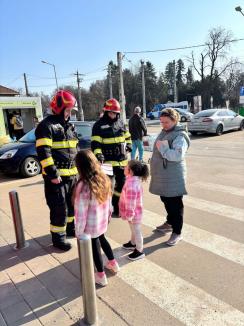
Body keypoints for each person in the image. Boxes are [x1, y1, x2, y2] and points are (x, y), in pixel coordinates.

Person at [35, 90, 79, 251]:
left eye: (71, 111)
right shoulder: (46, 126)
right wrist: (53, 173)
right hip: (56, 178)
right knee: (59, 207)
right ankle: (58, 238)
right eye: (68, 110)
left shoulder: (69, 126)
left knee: (72, 205)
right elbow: (44, 152)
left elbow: (75, 149)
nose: (70, 114)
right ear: (59, 108)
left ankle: (70, 228)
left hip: (72, 176)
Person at [74, 149, 119, 287]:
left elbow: (80, 213)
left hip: (89, 227)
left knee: (95, 249)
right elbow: (110, 203)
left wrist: (79, 233)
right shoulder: (103, 178)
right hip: (101, 222)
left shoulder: (83, 186)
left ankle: (100, 275)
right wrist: (108, 217)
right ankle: (113, 263)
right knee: (103, 239)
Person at [149, 108, 190, 246]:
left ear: (175, 120)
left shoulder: (180, 135)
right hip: (163, 175)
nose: (163, 125)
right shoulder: (165, 131)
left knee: (175, 203)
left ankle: (177, 232)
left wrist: (163, 149)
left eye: (166, 122)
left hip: (173, 176)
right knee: (165, 198)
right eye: (161, 122)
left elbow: (177, 155)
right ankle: (170, 223)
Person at [91, 98, 132, 217]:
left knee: (121, 186)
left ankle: (117, 207)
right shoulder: (98, 125)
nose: (112, 115)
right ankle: (105, 210)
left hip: (121, 162)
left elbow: (128, 137)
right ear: (105, 112)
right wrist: (98, 154)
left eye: (114, 113)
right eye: (110, 112)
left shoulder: (121, 123)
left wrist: (129, 145)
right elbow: (95, 143)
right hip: (107, 163)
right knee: (107, 187)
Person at [119, 159, 149, 260]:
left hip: (133, 213)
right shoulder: (131, 180)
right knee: (133, 229)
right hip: (133, 212)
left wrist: (130, 215)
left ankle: (139, 250)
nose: (124, 167)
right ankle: (132, 243)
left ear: (131, 171)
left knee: (136, 230)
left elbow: (131, 203)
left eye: (126, 166)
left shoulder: (131, 185)